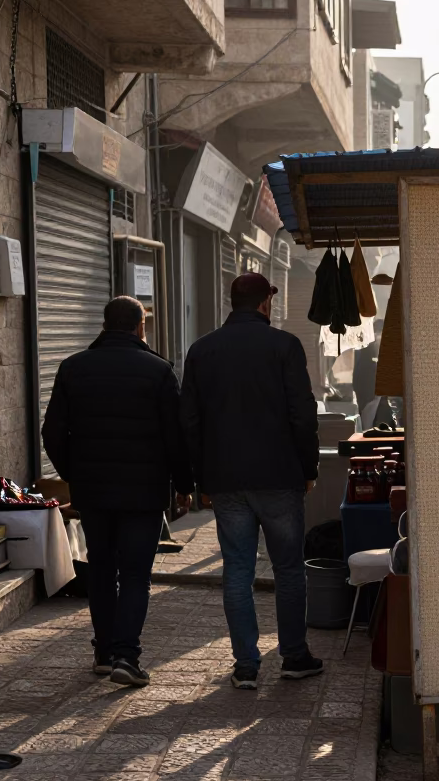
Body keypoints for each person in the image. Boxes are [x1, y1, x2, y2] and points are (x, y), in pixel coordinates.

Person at [42, 297, 193, 688]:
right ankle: (127, 656)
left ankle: (104, 653)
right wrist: (184, 485)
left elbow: (52, 433)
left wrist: (75, 474)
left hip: (94, 492)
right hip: (144, 494)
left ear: (105, 325)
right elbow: (174, 438)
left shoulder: (73, 368)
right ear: (140, 327)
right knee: (136, 574)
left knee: (102, 570)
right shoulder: (159, 371)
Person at [181, 273, 323, 690]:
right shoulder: (284, 346)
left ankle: (246, 665)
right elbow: (303, 414)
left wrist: (199, 476)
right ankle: (294, 656)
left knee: (237, 571)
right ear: (265, 304)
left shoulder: (201, 350)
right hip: (279, 476)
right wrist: (308, 468)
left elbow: (189, 420)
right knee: (289, 570)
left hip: (226, 481)